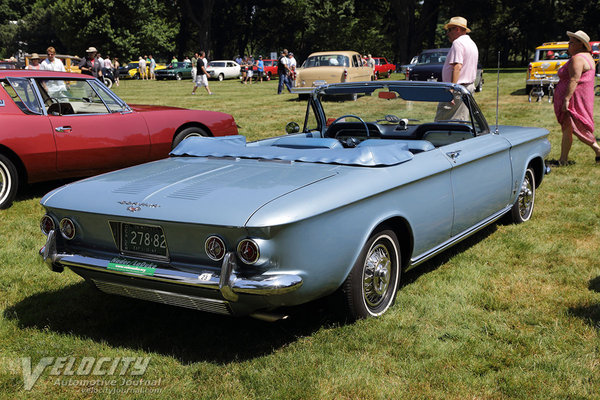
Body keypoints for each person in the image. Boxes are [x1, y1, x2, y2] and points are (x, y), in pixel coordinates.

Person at [552, 30, 600, 165]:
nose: (569, 44)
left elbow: (574, 80)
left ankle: (598, 149)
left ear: (580, 44)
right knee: (568, 128)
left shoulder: (577, 58)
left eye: (572, 42)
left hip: (574, 99)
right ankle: (563, 159)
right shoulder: (587, 56)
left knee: (578, 127)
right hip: (581, 97)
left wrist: (566, 99)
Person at [435, 16, 478, 122]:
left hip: (457, 90)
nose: (447, 33)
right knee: (460, 121)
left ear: (457, 29)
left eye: (450, 30)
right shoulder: (471, 43)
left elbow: (457, 66)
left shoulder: (458, 43)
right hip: (467, 88)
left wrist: (451, 89)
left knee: (441, 123)